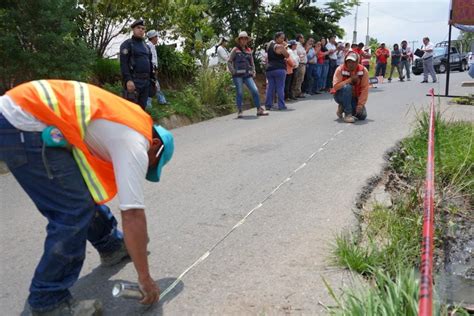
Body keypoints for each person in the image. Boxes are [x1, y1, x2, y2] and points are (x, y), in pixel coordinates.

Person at [0, 80, 175, 315]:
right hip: (21, 122)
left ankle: (111, 244)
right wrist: (145, 278)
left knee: (79, 195)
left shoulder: (131, 119)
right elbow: (133, 214)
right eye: (151, 165)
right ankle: (48, 300)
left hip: (25, 114)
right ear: (154, 145)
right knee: (72, 210)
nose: (145, 170)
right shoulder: (136, 143)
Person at [228, 31, 268, 118]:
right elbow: (229, 61)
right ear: (239, 40)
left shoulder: (249, 50)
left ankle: (259, 110)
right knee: (240, 93)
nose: (244, 40)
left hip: (247, 75)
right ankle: (239, 111)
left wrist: (254, 71)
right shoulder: (235, 49)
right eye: (242, 39)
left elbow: (252, 62)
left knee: (255, 91)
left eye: (245, 38)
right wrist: (233, 71)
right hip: (237, 75)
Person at [120, 20, 154, 110]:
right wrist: (128, 80)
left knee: (142, 109)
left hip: (146, 82)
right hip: (134, 81)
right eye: (138, 28)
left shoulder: (146, 46)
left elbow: (150, 64)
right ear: (133, 29)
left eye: (143, 29)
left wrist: (153, 80)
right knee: (131, 110)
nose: (141, 30)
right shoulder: (127, 44)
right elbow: (124, 64)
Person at [332, 51, 369, 123]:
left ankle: (342, 107)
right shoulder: (340, 69)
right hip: (340, 96)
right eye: (348, 62)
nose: (351, 64)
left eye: (353, 62)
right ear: (345, 61)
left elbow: (365, 89)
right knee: (347, 87)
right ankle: (347, 114)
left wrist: (360, 105)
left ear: (357, 61)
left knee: (362, 115)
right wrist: (349, 80)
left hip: (354, 97)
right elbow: (335, 87)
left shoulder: (364, 71)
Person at [265, 31, 290, 111]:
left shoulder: (269, 45)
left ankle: (268, 105)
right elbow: (287, 55)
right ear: (276, 38)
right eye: (281, 38)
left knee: (270, 87)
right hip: (279, 68)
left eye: (283, 38)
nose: (283, 39)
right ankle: (281, 105)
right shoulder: (280, 47)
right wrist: (285, 46)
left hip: (269, 69)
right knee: (280, 87)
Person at [146, 30, 167, 109]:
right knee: (153, 85)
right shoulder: (148, 46)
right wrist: (153, 70)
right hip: (151, 70)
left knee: (156, 85)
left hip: (153, 69)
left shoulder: (152, 46)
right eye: (156, 37)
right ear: (152, 38)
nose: (157, 38)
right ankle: (148, 104)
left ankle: (161, 100)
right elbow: (150, 60)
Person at [292, 34, 307, 98]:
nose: (303, 39)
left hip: (303, 63)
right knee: (298, 78)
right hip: (300, 63)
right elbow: (298, 53)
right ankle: (296, 93)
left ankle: (298, 92)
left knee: (301, 79)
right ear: (299, 38)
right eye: (302, 38)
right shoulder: (297, 45)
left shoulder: (301, 45)